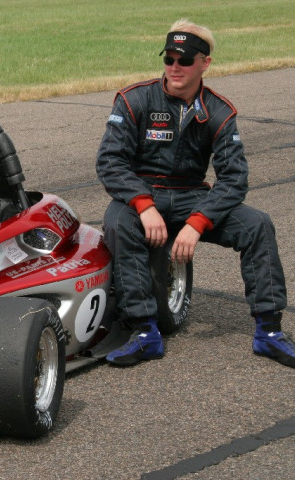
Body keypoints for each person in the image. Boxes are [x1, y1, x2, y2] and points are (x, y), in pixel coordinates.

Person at [96, 19, 294, 367]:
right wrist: (143, 204)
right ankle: (144, 332)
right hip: (144, 193)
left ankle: (269, 332)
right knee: (117, 222)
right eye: (169, 58)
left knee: (258, 225)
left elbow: (234, 178)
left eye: (184, 60)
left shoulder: (219, 111)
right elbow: (111, 162)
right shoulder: (134, 99)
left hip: (192, 196)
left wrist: (198, 222)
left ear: (205, 63)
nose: (174, 67)